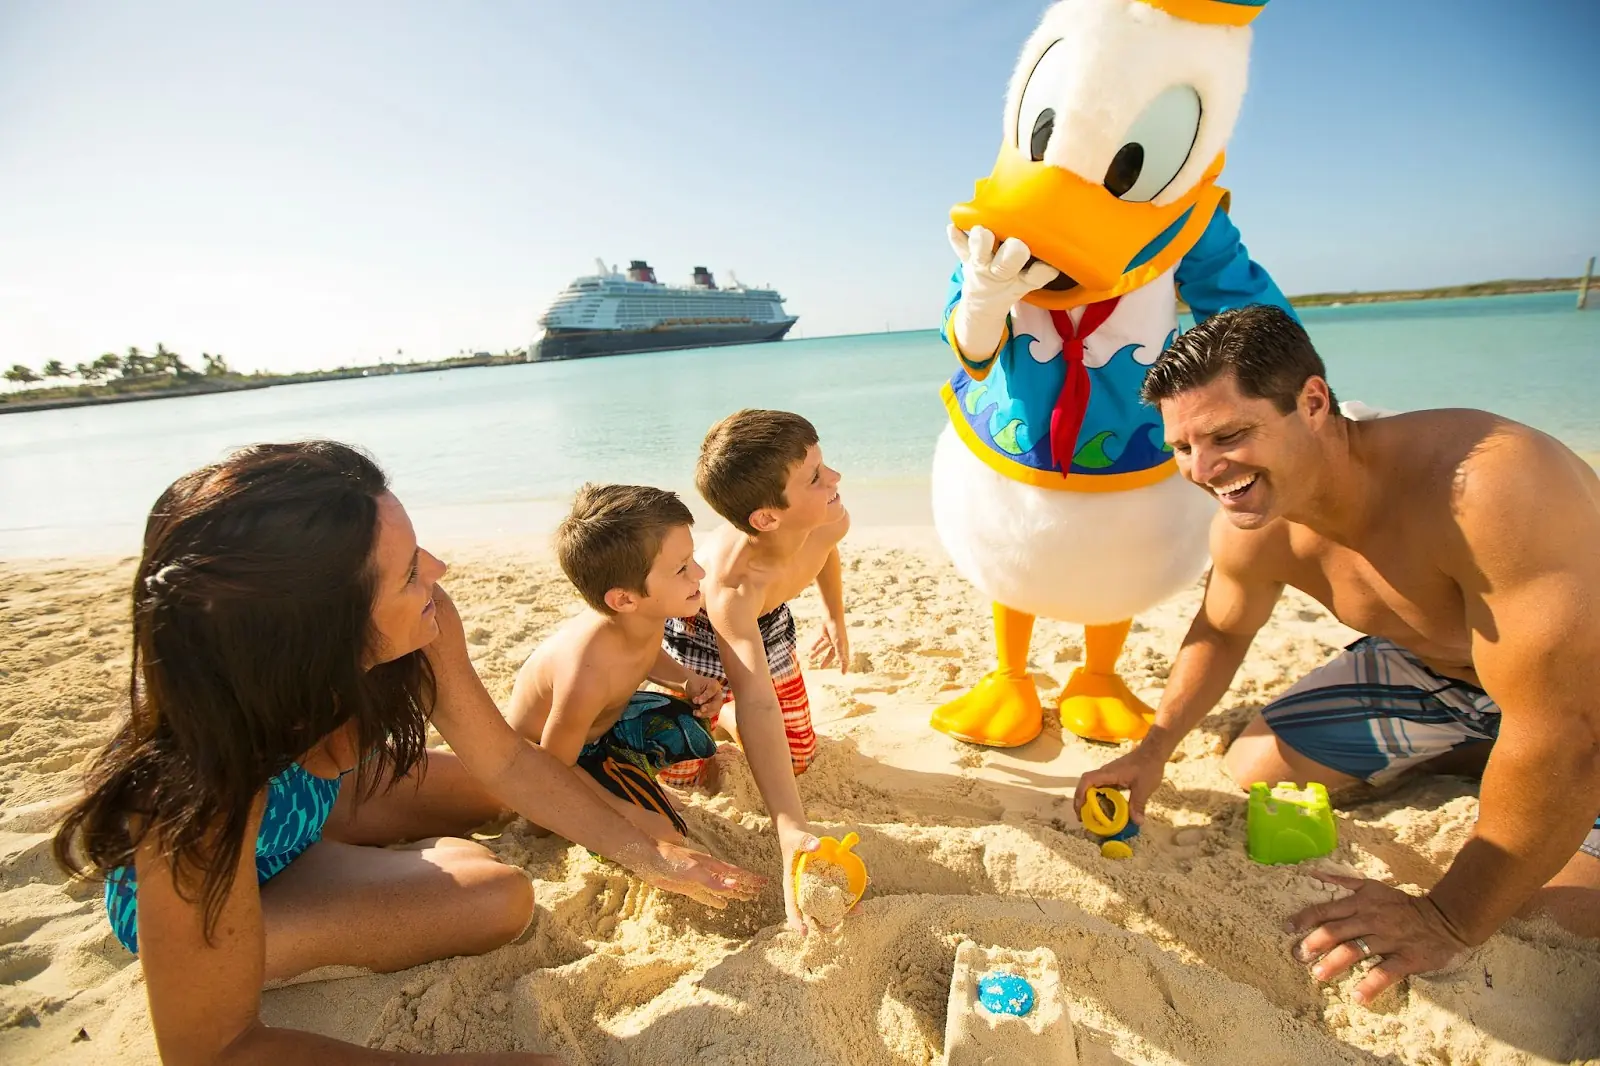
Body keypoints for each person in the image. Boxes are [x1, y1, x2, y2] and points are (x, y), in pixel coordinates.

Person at [53, 441, 763, 1065]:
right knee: (498, 896)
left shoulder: (426, 620)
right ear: (320, 634)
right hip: (231, 876)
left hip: (317, 799)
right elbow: (214, 1051)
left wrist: (653, 855)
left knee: (503, 797)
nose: (438, 567)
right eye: (406, 573)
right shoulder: (192, 797)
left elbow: (509, 762)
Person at [1072, 305, 1600, 1006]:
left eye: (1229, 435)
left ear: (1313, 402)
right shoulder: (1254, 524)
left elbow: (1568, 731)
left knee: (1541, 912)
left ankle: (1512, 767)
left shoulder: (1489, 486)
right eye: (1182, 448)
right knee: (1254, 765)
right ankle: (1483, 753)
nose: (1203, 471)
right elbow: (1224, 631)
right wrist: (1153, 749)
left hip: (1582, 701)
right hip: (1445, 676)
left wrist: (1447, 917)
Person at [657, 409, 852, 931]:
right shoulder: (731, 584)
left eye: (823, 463)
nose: (833, 478)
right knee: (680, 773)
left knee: (800, 758)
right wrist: (790, 827)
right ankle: (718, 715)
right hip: (702, 636)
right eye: (814, 476)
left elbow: (825, 548)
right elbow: (759, 698)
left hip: (770, 625)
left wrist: (834, 616)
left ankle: (728, 717)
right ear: (766, 517)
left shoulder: (829, 511)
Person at [505, 483, 727, 845]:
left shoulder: (640, 616)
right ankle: (615, 794)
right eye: (681, 569)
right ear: (624, 598)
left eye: (693, 559)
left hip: (600, 732)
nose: (699, 573)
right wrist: (623, 815)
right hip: (549, 760)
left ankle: (629, 776)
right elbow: (551, 767)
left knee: (687, 726)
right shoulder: (586, 673)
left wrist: (687, 680)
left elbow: (647, 652)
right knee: (663, 834)